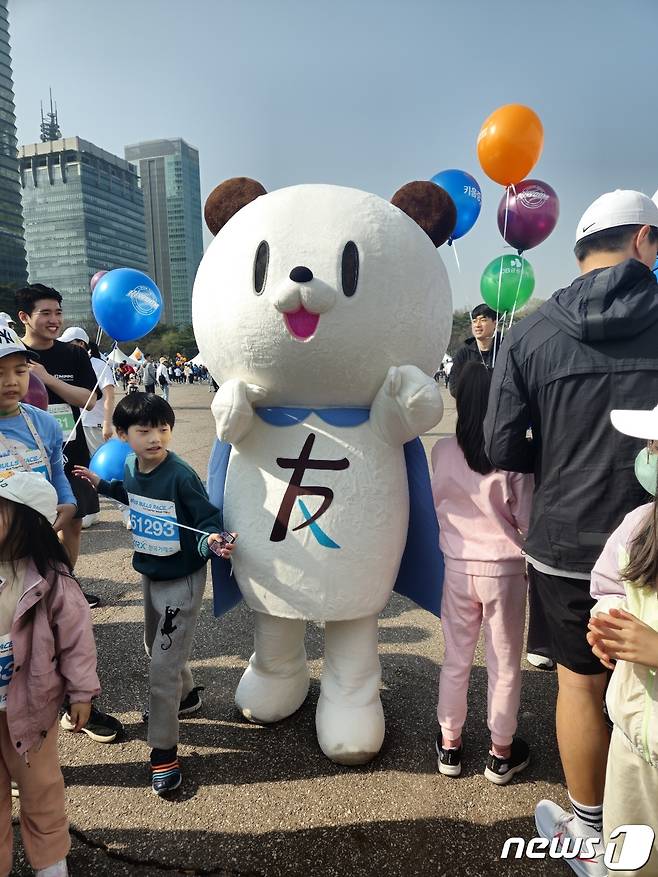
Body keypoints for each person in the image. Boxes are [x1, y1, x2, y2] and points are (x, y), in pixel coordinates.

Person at [484, 189, 658, 875]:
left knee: (580, 683)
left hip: (566, 542)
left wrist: (552, 459)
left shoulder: (529, 332)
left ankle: (590, 830)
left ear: (580, 251)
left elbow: (501, 443)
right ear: (644, 239)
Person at [73, 394, 237, 795]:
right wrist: (103, 485)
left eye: (163, 428)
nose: (155, 438)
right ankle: (186, 698)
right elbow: (133, 493)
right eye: (144, 431)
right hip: (150, 573)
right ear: (124, 435)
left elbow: (207, 520)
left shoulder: (181, 474)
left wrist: (213, 540)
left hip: (181, 580)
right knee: (156, 646)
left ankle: (163, 751)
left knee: (161, 669)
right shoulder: (130, 464)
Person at [431, 362, 533, 784]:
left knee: (456, 657)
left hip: (457, 566)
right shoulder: (513, 455)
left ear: (456, 397)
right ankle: (501, 752)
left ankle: (450, 745)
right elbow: (526, 518)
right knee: (505, 661)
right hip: (504, 569)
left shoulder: (440, 450)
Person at [0, 470, 100, 877]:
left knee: (41, 790)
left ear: (27, 522)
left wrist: (81, 693)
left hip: (32, 710)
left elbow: (77, 641)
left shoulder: (53, 580)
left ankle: (50, 861)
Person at [575, 403, 658, 875]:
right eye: (651, 446)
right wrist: (606, 623)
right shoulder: (641, 523)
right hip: (631, 744)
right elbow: (608, 585)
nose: (650, 457)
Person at [15, 285, 102, 609]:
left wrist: (47, 379)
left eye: (58, 312)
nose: (54, 320)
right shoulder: (12, 355)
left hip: (72, 452)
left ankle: (65, 585)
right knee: (27, 527)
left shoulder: (74, 354)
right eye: (45, 313)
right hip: (22, 459)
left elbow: (89, 399)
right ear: (24, 316)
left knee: (73, 523)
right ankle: (32, 589)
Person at [448, 304, 500, 397]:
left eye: (483, 320)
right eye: (474, 321)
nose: (477, 325)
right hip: (472, 408)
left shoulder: (505, 350)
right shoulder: (464, 354)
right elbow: (454, 387)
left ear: (495, 323)